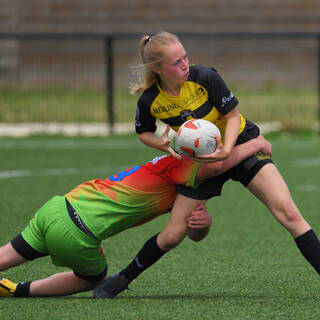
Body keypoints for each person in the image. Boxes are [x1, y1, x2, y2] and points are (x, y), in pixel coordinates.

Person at [93, 31, 320, 299]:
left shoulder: (204, 77)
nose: (185, 64)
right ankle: (121, 280)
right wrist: (163, 144)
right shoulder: (150, 100)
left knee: (289, 214)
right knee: (172, 235)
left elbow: (233, 116)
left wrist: (226, 150)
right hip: (200, 159)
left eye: (185, 57)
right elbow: (143, 131)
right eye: (176, 62)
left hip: (242, 143)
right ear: (158, 68)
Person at [0, 133, 270, 298]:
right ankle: (18, 290)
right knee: (91, 278)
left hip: (58, 206)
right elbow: (220, 164)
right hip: (79, 231)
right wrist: (256, 143)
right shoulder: (180, 165)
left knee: (7, 255)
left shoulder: (179, 180)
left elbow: (191, 226)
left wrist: (204, 225)